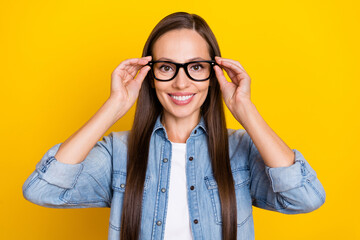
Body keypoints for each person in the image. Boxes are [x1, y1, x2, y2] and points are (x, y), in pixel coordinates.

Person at [22, 12, 326, 240]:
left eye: (195, 67)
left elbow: (305, 197)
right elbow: (42, 189)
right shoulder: (118, 152)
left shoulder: (240, 150)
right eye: (166, 67)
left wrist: (245, 110)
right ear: (150, 76)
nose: (181, 82)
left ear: (214, 73)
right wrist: (114, 105)